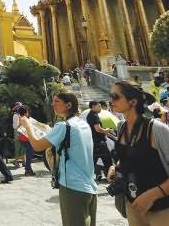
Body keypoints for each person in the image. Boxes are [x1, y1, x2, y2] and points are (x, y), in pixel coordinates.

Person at [108, 81, 169, 225]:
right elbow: (132, 155)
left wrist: (151, 195)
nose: (110, 101)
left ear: (133, 101)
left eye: (115, 96)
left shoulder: (157, 129)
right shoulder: (121, 126)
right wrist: (116, 167)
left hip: (164, 210)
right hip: (134, 206)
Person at [21, 92, 97, 226]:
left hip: (72, 186)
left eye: (56, 101)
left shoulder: (63, 126)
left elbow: (37, 146)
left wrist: (27, 126)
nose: (53, 104)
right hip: (89, 184)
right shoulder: (82, 124)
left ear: (68, 105)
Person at [86, 101, 114, 180]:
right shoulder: (94, 116)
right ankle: (112, 178)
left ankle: (86, 177)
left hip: (95, 142)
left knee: (92, 161)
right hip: (99, 143)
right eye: (98, 106)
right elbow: (98, 129)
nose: (100, 108)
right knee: (108, 162)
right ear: (93, 106)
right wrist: (106, 130)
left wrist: (107, 133)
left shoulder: (91, 115)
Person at [13, 105, 35, 176]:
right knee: (29, 154)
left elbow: (19, 128)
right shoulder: (24, 119)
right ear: (25, 113)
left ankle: (28, 169)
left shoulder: (21, 118)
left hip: (23, 139)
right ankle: (28, 170)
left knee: (29, 154)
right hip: (26, 139)